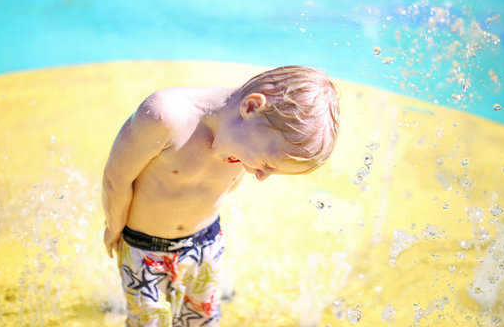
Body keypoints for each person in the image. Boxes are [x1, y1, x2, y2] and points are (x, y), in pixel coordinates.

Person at [102, 66, 340, 326]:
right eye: (266, 163)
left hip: (207, 244)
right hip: (144, 249)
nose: (261, 176)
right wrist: (114, 227)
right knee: (147, 322)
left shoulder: (240, 138)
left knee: (203, 321)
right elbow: (117, 179)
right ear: (250, 108)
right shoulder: (166, 117)